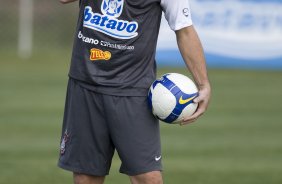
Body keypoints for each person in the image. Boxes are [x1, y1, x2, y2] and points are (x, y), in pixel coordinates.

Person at [58, 0, 211, 184]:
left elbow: (184, 30)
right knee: (85, 178)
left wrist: (203, 84)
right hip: (85, 84)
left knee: (148, 178)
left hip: (132, 90)